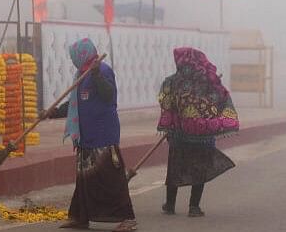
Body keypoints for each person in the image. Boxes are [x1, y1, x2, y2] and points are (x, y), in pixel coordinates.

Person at [45, 38, 137, 232]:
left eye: (73, 58)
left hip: (103, 137)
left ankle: (127, 219)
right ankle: (80, 217)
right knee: (85, 180)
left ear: (82, 55)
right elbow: (73, 104)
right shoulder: (81, 74)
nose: (72, 62)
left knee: (111, 179)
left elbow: (109, 95)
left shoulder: (102, 71)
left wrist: (96, 75)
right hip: (86, 138)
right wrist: (51, 113)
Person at [157, 47, 240, 217]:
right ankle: (194, 207)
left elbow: (165, 103)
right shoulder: (209, 81)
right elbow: (221, 99)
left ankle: (170, 205)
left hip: (178, 135)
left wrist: (170, 123)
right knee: (199, 169)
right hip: (203, 137)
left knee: (175, 168)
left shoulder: (171, 82)